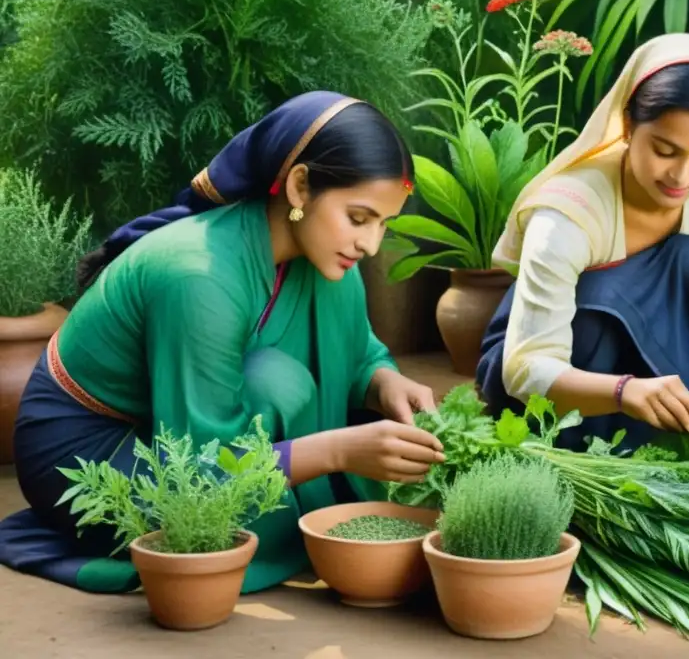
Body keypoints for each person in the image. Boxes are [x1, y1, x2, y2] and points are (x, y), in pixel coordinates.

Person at [0, 91, 446, 594]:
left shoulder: (322, 260)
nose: (369, 245)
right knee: (272, 388)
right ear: (300, 186)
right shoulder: (200, 275)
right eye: (359, 217)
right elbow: (194, 463)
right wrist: (338, 451)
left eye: (383, 224)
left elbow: (358, 351)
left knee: (276, 380)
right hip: (88, 457)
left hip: (174, 420)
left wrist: (384, 381)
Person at [476, 34, 689, 452]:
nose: (681, 176)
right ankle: (595, 447)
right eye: (664, 150)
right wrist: (624, 391)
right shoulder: (567, 213)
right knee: (608, 293)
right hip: (568, 373)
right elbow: (527, 368)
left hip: (671, 372)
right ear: (628, 124)